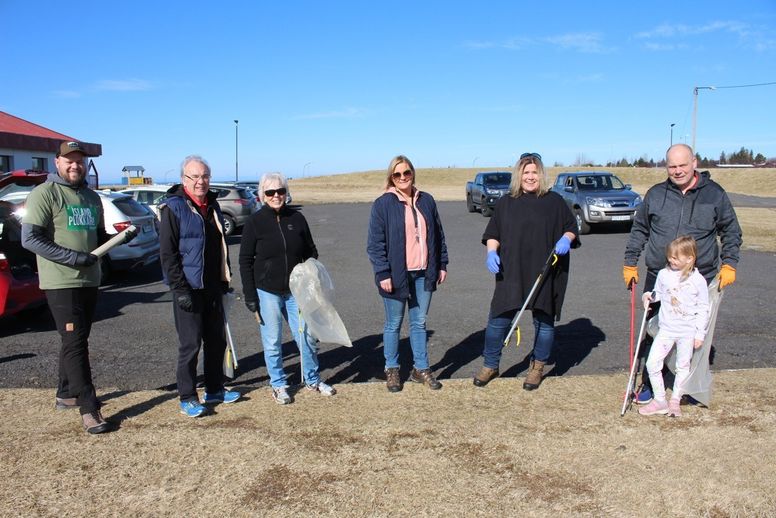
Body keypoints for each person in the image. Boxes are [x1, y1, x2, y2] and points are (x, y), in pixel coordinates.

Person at [21, 141, 136, 434]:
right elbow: (30, 239)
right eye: (69, 160)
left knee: (75, 338)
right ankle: (89, 408)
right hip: (62, 281)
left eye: (80, 161)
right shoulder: (45, 194)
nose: (75, 166)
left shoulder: (90, 197)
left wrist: (119, 238)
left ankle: (65, 394)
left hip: (89, 279)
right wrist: (73, 257)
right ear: (57, 162)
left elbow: (96, 237)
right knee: (76, 343)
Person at [624, 143, 742, 404]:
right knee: (653, 330)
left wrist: (729, 263)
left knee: (693, 334)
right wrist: (630, 261)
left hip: (699, 277)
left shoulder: (714, 194)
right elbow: (640, 229)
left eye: (682, 165)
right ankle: (647, 382)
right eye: (672, 166)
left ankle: (687, 386)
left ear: (694, 163)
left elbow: (731, 231)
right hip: (660, 274)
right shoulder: (655, 194)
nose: (677, 171)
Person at [473, 152, 578, 391]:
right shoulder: (506, 203)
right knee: (497, 321)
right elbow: (493, 234)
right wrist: (491, 253)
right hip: (511, 271)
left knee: (544, 323)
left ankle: (537, 367)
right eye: (525, 173)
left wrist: (565, 238)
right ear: (518, 176)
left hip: (546, 270)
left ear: (540, 175)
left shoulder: (554, 201)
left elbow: (571, 228)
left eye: (534, 172)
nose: (530, 177)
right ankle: (490, 364)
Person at [239, 172, 336, 405]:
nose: (276, 196)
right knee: (272, 341)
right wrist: (251, 297)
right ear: (262, 195)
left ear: (286, 193)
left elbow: (311, 251)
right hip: (267, 291)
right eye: (270, 192)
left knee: (306, 336)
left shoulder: (297, 219)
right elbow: (245, 261)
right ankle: (278, 384)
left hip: (296, 292)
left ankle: (312, 379)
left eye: (280, 191)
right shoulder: (255, 222)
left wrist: (308, 272)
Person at [159, 155, 240, 418]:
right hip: (188, 288)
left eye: (204, 176)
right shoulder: (173, 208)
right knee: (191, 344)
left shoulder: (213, 205)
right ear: (184, 179)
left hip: (212, 286)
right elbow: (168, 254)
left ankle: (215, 388)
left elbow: (219, 247)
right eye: (194, 176)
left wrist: (224, 279)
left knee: (215, 341)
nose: (200, 181)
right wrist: (179, 289)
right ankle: (187, 396)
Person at [367, 155, 449, 392]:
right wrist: (383, 273)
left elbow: (438, 235)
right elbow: (375, 244)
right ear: (391, 177)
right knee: (393, 323)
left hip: (424, 272)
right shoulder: (383, 204)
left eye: (407, 173)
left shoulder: (427, 201)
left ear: (413, 173)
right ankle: (392, 369)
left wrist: (441, 264)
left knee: (419, 322)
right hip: (395, 274)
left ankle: (420, 369)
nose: (403, 178)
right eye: (397, 174)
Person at [638, 236, 710, 417]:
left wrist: (700, 334)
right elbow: (659, 294)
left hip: (687, 331)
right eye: (670, 256)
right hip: (666, 329)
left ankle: (676, 400)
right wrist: (649, 296)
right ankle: (660, 400)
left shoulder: (698, 280)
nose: (671, 260)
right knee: (653, 362)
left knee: (682, 366)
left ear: (690, 258)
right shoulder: (664, 274)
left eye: (676, 258)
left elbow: (703, 307)